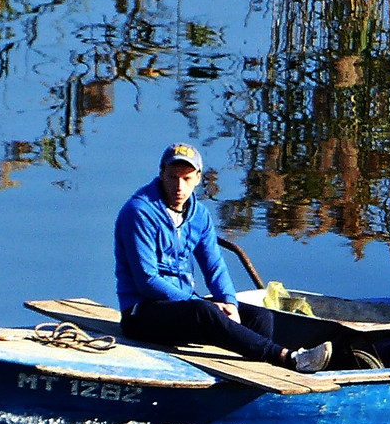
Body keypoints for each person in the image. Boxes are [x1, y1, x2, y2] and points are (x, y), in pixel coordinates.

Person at [115, 143, 331, 373]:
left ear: (198, 178)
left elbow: (214, 267)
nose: (179, 186)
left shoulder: (199, 215)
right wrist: (195, 302)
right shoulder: (139, 212)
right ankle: (289, 358)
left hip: (184, 307)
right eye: (172, 177)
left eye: (186, 178)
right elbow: (146, 281)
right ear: (161, 174)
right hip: (141, 313)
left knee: (260, 317)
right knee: (205, 312)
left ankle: (252, 376)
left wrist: (229, 303)